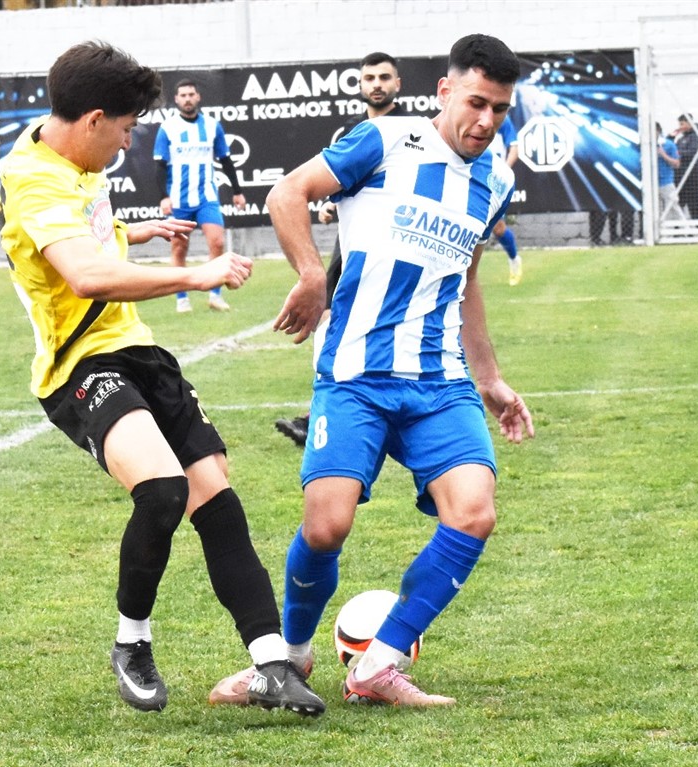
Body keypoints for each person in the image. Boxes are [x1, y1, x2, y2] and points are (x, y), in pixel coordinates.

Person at [0, 40, 325, 717]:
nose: (126, 144)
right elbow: (84, 274)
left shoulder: (69, 154)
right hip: (78, 365)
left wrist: (133, 230)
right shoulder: (32, 176)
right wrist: (195, 274)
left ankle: (271, 664)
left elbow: (82, 229)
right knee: (162, 489)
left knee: (216, 497)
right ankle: (132, 642)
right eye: (123, 130)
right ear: (93, 120)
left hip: (139, 351)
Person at [266, 33, 535, 706]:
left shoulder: (496, 180)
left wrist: (489, 377)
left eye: (500, 109)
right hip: (355, 373)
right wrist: (311, 275)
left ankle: (377, 666)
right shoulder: (384, 141)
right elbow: (287, 193)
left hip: (439, 381)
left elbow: (467, 280)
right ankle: (288, 661)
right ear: (446, 91)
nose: (486, 120)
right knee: (325, 527)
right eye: (476, 102)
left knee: (473, 513)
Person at [274, 51, 406, 448]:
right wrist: (332, 205)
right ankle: (319, 413)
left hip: (396, 247)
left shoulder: (412, 130)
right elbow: (335, 182)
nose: (377, 84)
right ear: (361, 84)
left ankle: (389, 414)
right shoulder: (351, 132)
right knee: (328, 316)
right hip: (349, 246)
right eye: (370, 78)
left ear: (398, 84)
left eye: (384, 77)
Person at [153, 79, 246, 313]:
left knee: (217, 242)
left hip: (207, 196)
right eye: (183, 95)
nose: (187, 99)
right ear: (176, 99)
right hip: (178, 199)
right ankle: (182, 298)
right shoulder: (168, 128)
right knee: (179, 248)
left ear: (198, 97)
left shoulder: (213, 126)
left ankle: (215, 295)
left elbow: (225, 160)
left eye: (191, 94)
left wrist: (237, 191)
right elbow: (160, 166)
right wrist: (164, 196)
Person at [489, 118, 522, 285]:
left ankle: (514, 259)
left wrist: (504, 171)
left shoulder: (502, 120)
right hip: (471, 177)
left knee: (498, 228)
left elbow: (514, 148)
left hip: (494, 181)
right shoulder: (470, 117)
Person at [672, 113, 698, 220]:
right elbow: (671, 149)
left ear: (689, 123)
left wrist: (678, 153)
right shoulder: (681, 139)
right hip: (681, 175)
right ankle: (679, 227)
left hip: (692, 175)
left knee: (694, 202)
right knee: (679, 202)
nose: (680, 127)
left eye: (682, 124)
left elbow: (693, 153)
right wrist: (671, 136)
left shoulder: (696, 137)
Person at [655, 122, 682, 220]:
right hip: (650, 183)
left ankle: (684, 227)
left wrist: (664, 155)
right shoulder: (643, 145)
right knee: (654, 210)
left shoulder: (668, 145)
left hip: (665, 182)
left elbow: (677, 164)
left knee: (673, 207)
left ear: (658, 131)